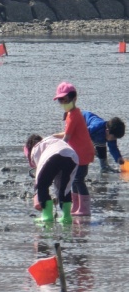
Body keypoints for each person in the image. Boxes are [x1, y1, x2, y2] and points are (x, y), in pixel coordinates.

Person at [52, 82, 95, 217]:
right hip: (78, 153)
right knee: (74, 180)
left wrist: (56, 150)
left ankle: (85, 208)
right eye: (61, 101)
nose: (63, 103)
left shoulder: (74, 115)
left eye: (66, 100)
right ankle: (77, 206)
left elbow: (66, 137)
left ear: (74, 99)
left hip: (81, 153)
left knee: (78, 180)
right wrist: (53, 137)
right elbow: (67, 134)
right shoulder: (73, 113)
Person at [25, 134, 78, 224]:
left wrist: (37, 189)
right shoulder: (52, 140)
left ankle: (47, 216)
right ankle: (66, 216)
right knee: (65, 187)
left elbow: (40, 172)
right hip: (72, 156)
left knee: (42, 185)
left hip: (54, 156)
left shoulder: (36, 148)